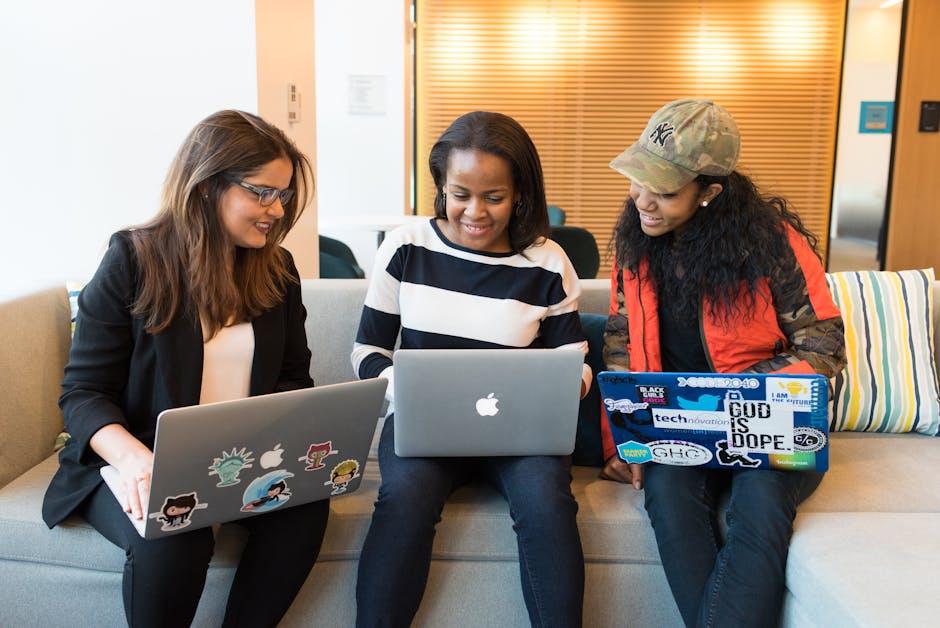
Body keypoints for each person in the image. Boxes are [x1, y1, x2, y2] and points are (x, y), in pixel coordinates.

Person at [41, 110, 328, 628]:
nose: (276, 209)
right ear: (206, 185)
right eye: (262, 192)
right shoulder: (132, 258)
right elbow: (83, 392)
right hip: (135, 463)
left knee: (305, 511)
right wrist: (134, 460)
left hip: (239, 462)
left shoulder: (278, 269)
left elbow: (292, 380)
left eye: (283, 195)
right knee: (180, 526)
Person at [600, 99, 847, 627]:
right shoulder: (633, 245)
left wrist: (736, 393)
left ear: (709, 192)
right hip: (681, 427)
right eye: (638, 179)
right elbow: (621, 343)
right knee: (666, 495)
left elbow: (823, 345)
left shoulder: (773, 246)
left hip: (773, 425)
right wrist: (623, 442)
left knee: (757, 507)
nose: (643, 199)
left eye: (663, 190)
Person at [352, 110, 591, 628]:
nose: (475, 212)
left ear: (521, 192)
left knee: (547, 503)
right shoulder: (406, 247)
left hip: (520, 432)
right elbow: (367, 351)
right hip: (424, 426)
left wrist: (571, 379)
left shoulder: (548, 263)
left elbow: (572, 357)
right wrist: (405, 388)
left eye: (494, 197)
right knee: (403, 500)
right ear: (441, 187)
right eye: (460, 194)